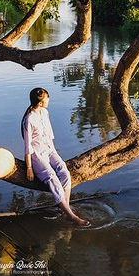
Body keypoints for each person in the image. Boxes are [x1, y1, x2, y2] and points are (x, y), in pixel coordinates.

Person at [22, 87, 90, 226]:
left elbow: (49, 137)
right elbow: (28, 146)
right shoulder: (29, 119)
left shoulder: (45, 112)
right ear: (40, 102)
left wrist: (54, 154)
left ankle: (65, 207)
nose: (49, 100)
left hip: (50, 150)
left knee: (64, 171)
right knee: (52, 177)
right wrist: (29, 167)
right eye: (47, 98)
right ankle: (71, 216)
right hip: (37, 154)